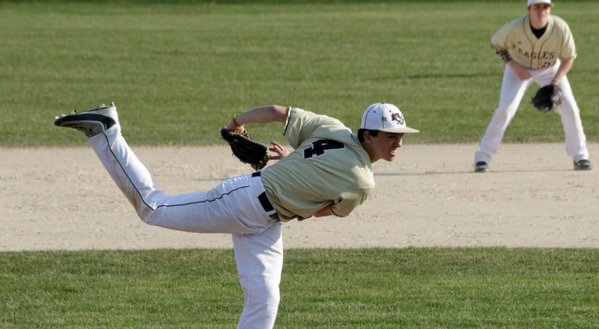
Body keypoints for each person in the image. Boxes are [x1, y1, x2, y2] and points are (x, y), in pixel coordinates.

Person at [54, 101, 419, 329]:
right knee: (153, 208)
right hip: (242, 202)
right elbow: (325, 211)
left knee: (265, 297)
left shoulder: (333, 128)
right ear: (369, 135)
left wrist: (236, 124)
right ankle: (106, 132)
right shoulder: (362, 181)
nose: (398, 142)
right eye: (390, 135)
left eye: (401, 135)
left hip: (265, 221)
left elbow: (278, 112)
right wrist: (295, 176)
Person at [474, 0, 591, 173]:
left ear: (550, 9)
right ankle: (482, 157)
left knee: (570, 107)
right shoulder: (515, 27)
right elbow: (496, 43)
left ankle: (580, 156)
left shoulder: (560, 28)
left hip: (550, 70)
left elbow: (569, 58)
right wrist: (515, 66)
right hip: (518, 69)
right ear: (529, 9)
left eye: (545, 7)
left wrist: (555, 82)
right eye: (537, 7)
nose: (541, 11)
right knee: (506, 108)